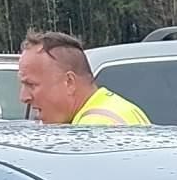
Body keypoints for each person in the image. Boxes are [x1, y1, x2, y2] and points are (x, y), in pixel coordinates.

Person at [16, 31, 150, 128]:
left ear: (69, 82)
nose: (23, 97)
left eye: (31, 85)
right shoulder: (120, 108)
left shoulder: (92, 129)